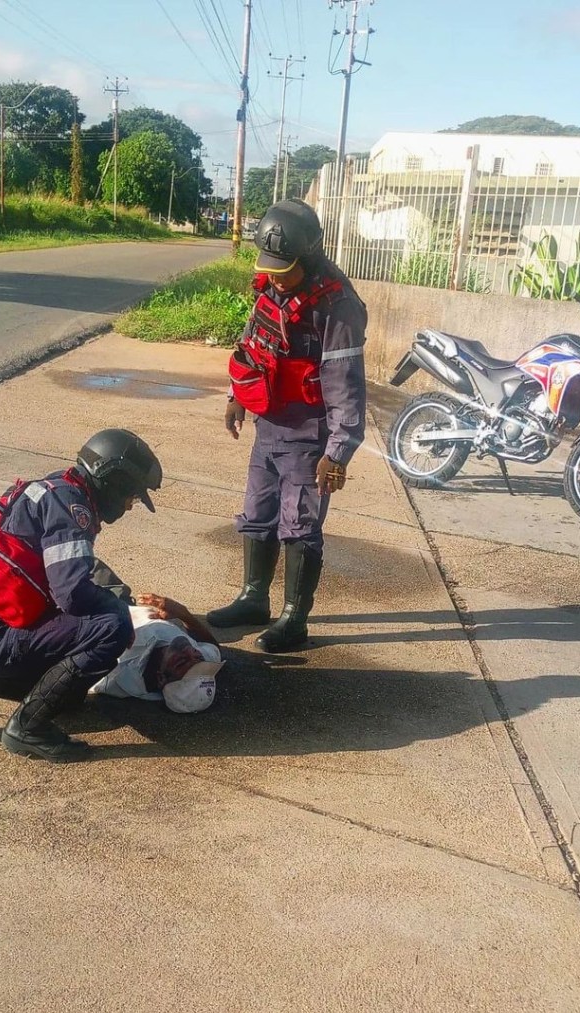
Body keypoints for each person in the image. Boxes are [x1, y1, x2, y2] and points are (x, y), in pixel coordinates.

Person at [0, 428, 162, 763]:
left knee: (68, 694)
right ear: (112, 479)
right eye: (131, 495)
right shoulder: (73, 510)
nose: (130, 506)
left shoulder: (54, 487)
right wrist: (120, 609)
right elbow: (72, 593)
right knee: (111, 627)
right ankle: (27, 730)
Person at [208, 199, 367, 652]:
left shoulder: (338, 308)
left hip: (309, 438)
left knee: (299, 524)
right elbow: (252, 343)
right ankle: (253, 598)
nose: (276, 276)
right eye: (271, 267)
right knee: (256, 514)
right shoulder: (272, 287)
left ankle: (294, 618)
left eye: (285, 268)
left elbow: (346, 383)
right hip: (269, 427)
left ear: (310, 255)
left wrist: (338, 451)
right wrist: (237, 394)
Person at [90, 594, 224, 713]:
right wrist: (184, 614)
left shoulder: (118, 675)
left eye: (182, 661)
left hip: (99, 607)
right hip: (128, 602)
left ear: (160, 678)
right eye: (198, 657)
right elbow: (213, 647)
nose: (189, 651)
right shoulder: (206, 663)